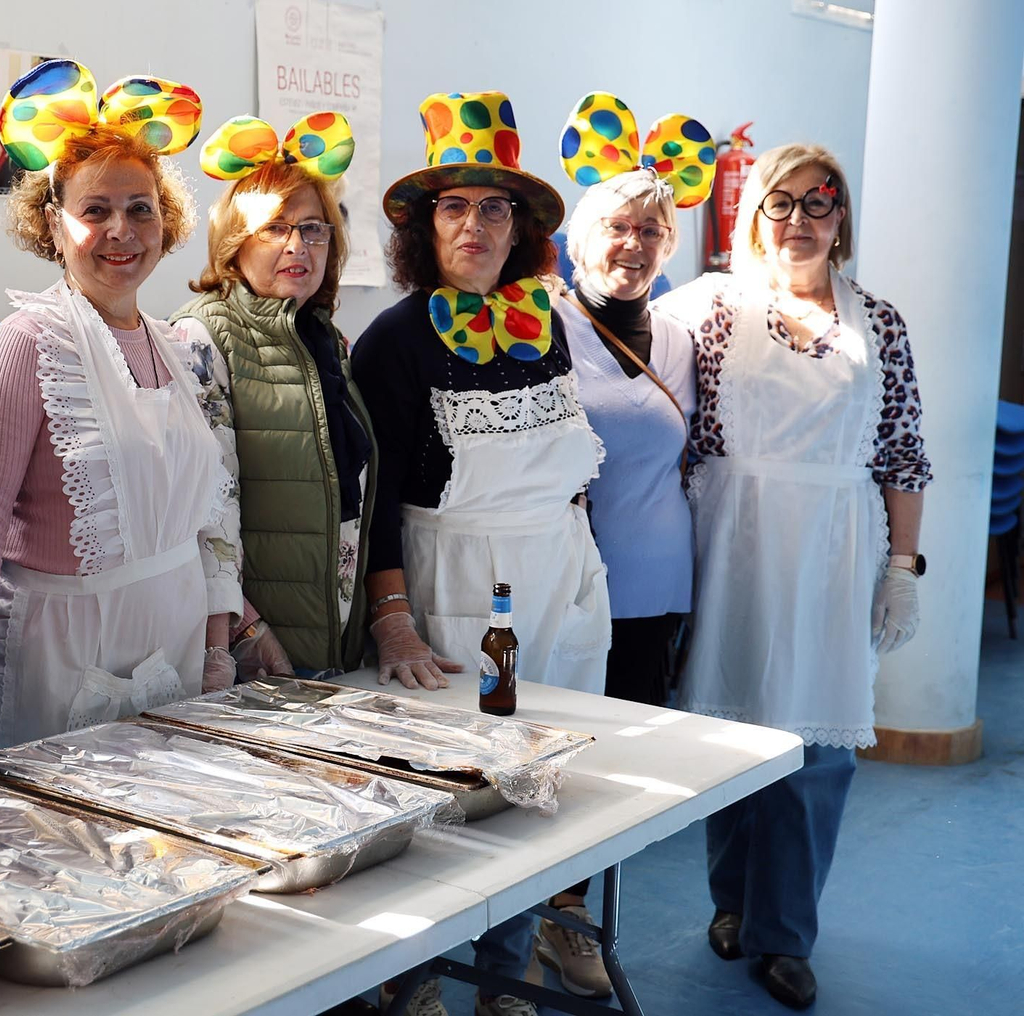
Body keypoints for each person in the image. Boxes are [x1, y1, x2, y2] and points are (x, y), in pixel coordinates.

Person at [350, 90, 609, 1016]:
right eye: (453, 206)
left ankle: (506, 974)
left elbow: (569, 472)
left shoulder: (548, 326)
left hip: (559, 585)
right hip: (456, 586)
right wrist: (392, 619)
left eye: (494, 206)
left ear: (521, 227)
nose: (475, 225)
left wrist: (582, 574)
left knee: (544, 794)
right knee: (453, 802)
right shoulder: (393, 339)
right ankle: (416, 979)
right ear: (424, 227)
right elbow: (374, 502)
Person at [655, 143, 930, 1010]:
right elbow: (666, 429)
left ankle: (786, 933)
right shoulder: (708, 311)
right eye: (782, 203)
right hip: (730, 545)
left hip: (835, 552)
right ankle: (732, 902)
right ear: (753, 215)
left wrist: (903, 567)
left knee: (814, 752)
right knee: (729, 732)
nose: (800, 220)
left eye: (820, 203)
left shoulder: (878, 323)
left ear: (841, 219)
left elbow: (903, 453)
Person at [0, 60, 238, 762]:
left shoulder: (181, 345)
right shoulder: (26, 345)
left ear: (165, 219)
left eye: (140, 208)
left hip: (177, 649)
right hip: (66, 657)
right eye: (94, 210)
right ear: (53, 222)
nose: (121, 230)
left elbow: (208, 513)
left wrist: (222, 640)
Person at [523, 94, 714, 1001]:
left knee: (613, 771)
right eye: (615, 226)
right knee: (542, 758)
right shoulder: (540, 323)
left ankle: (572, 923)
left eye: (650, 230)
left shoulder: (679, 337)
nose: (632, 244)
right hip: (559, 580)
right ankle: (524, 922)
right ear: (579, 234)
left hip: (653, 580)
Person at [170, 112, 375, 678]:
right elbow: (202, 510)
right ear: (236, 243)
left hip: (337, 644)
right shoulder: (200, 334)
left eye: (313, 229)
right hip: (255, 649)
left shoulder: (325, 338)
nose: (297, 245)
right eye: (274, 227)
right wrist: (245, 629)